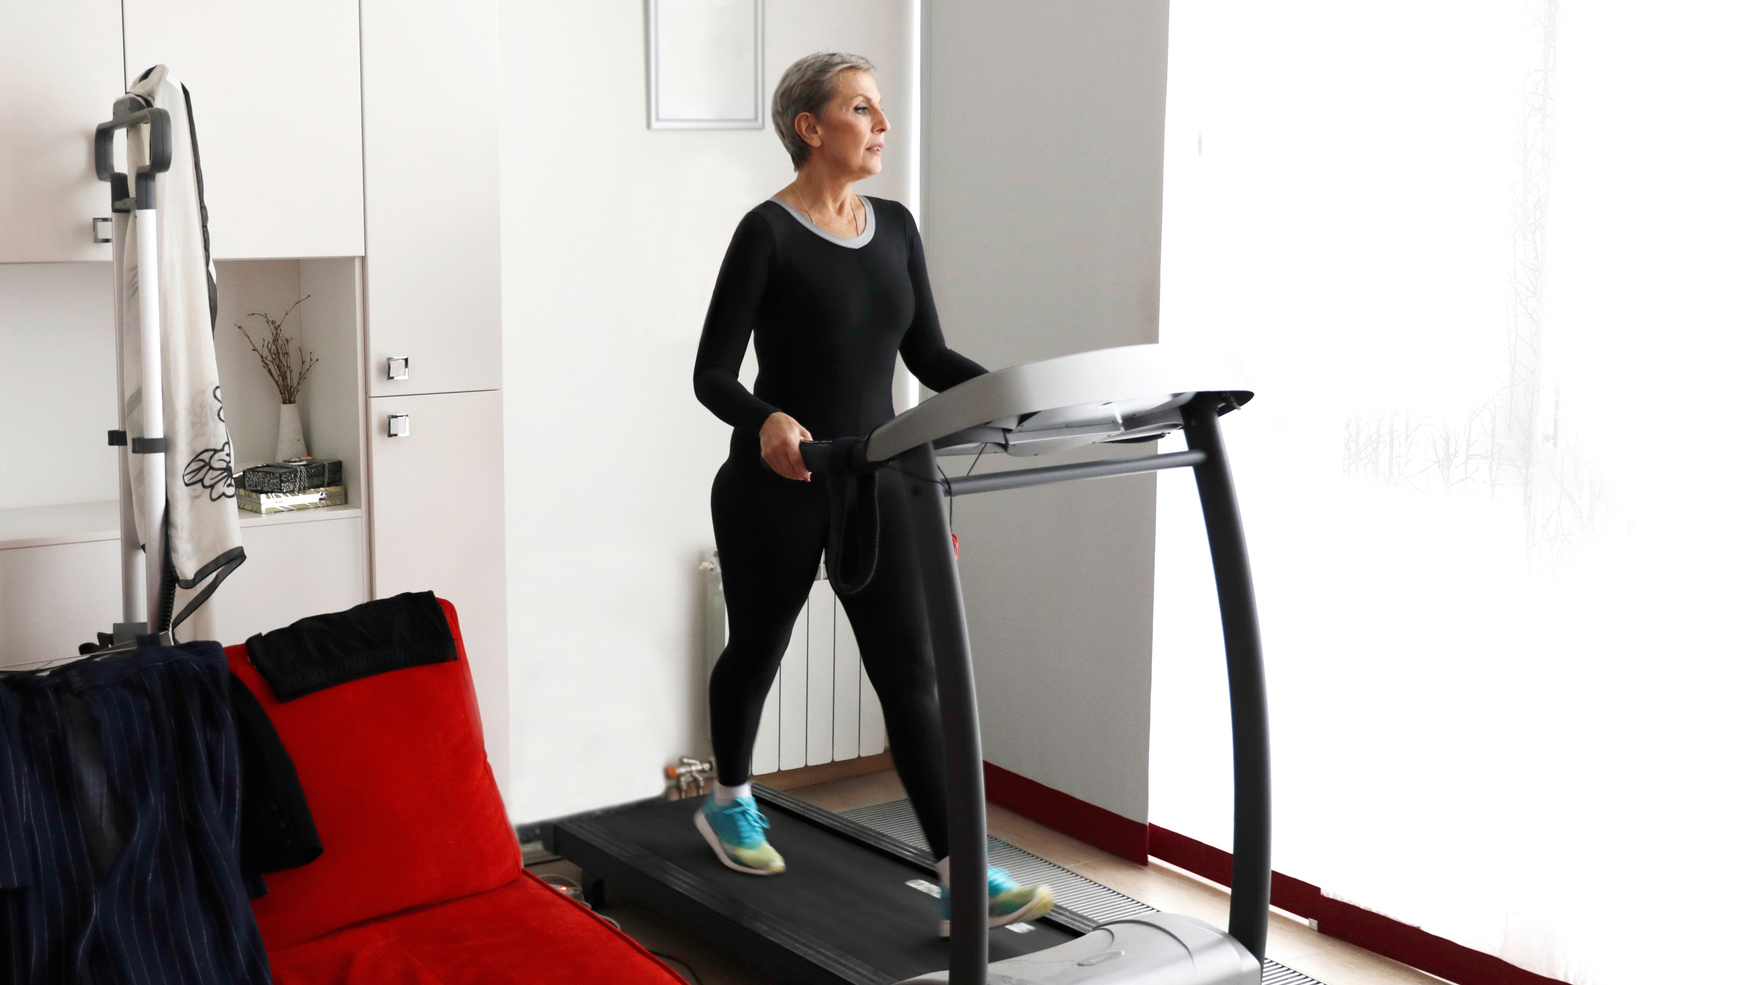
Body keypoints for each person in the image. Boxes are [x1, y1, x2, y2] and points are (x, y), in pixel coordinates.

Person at [691, 51, 1053, 937]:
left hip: (884, 477)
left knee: (911, 677)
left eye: (880, 109)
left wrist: (1015, 394)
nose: (881, 125)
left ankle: (961, 876)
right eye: (862, 109)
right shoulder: (765, 233)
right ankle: (728, 797)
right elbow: (711, 374)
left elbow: (927, 356)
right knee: (759, 649)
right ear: (810, 129)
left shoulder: (894, 225)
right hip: (780, 482)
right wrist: (768, 417)